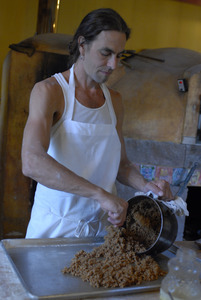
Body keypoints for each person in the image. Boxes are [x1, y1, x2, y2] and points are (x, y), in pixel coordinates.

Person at [21, 8, 173, 239]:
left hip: (101, 230)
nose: (113, 64)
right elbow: (32, 162)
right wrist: (99, 194)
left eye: (119, 55)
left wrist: (146, 186)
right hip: (54, 229)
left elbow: (121, 165)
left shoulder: (115, 101)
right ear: (82, 45)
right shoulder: (50, 91)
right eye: (106, 53)